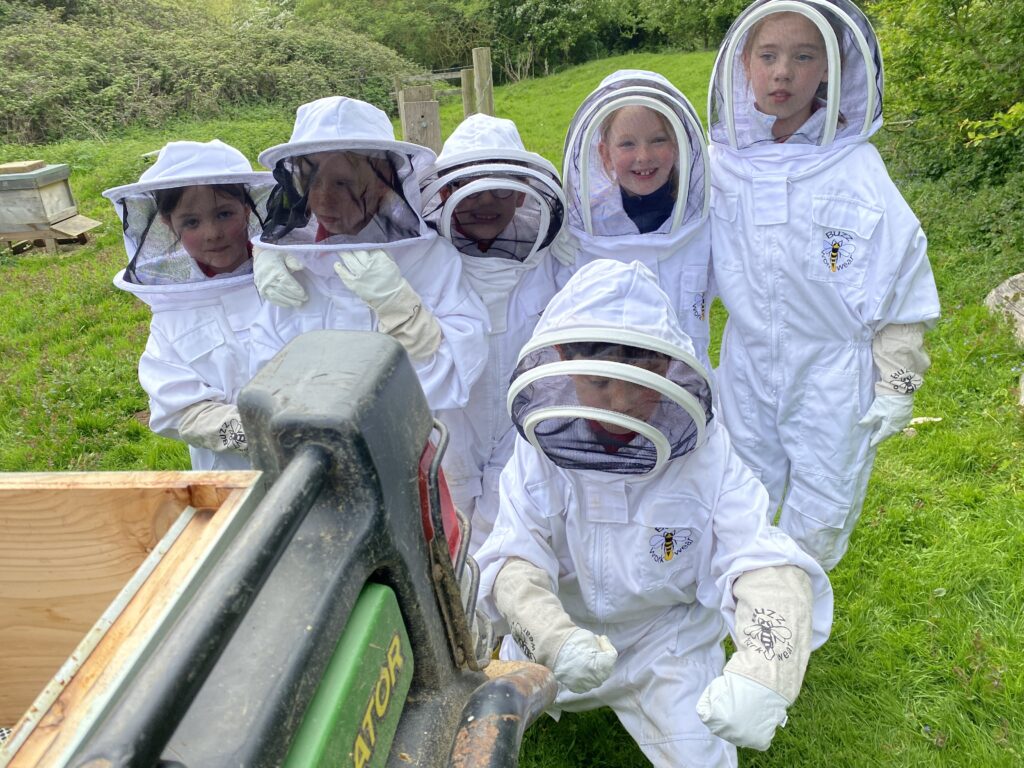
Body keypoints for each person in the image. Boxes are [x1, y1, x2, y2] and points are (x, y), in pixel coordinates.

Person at [475, 259, 833, 767]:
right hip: (562, 631)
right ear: (562, 360)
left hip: (666, 644)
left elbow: (761, 560)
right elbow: (514, 558)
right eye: (599, 382)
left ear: (669, 366)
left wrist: (765, 671)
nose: (620, 402)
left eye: (640, 378)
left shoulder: (706, 452)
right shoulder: (539, 446)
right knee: (471, 735)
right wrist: (554, 638)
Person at [706, 0, 941, 570]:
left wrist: (898, 383)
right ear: (743, 64)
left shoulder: (856, 170)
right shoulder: (719, 167)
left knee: (822, 510)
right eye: (769, 55)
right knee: (736, 496)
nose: (783, 71)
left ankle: (784, 638)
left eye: (803, 55)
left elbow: (900, 286)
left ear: (830, 70)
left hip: (835, 376)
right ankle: (738, 610)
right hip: (746, 365)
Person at [248, 96, 489, 411]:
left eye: (343, 183)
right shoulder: (293, 265)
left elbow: (459, 373)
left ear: (381, 184)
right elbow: (265, 369)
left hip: (408, 443)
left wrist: (402, 311)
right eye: (313, 182)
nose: (323, 198)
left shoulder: (430, 259)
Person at [418, 113, 565, 551]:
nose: (484, 201)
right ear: (445, 192)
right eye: (469, 188)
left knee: (513, 537)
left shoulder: (550, 261)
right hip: (449, 424)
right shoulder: (428, 261)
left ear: (524, 197)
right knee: (446, 539)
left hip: (523, 426)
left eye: (501, 188)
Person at [105, 139, 275, 470]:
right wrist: (256, 433)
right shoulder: (171, 311)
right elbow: (178, 409)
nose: (212, 233)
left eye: (224, 214)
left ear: (247, 208)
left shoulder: (290, 278)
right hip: (231, 478)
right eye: (192, 222)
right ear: (169, 224)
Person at [553, 70, 715, 372]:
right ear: (604, 153)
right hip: (609, 397)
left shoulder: (701, 220)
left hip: (691, 392)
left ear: (679, 143)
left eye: (658, 140)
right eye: (627, 144)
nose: (643, 156)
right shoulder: (584, 230)